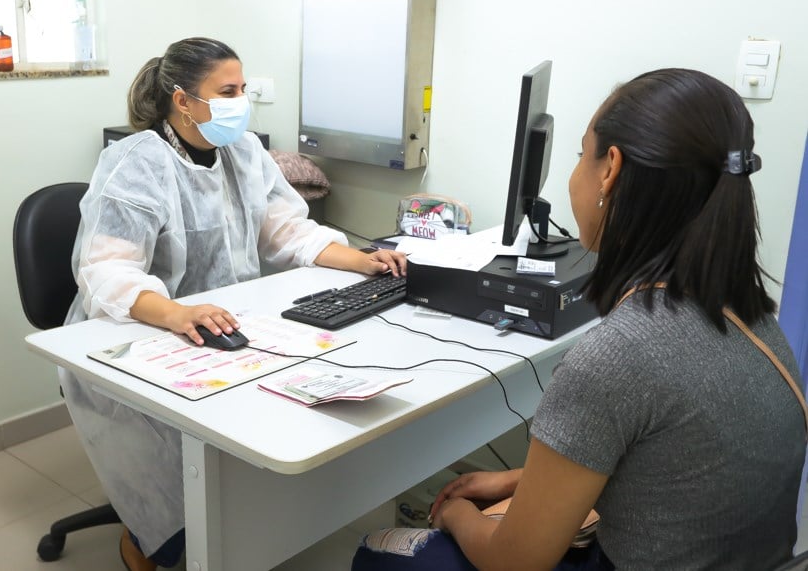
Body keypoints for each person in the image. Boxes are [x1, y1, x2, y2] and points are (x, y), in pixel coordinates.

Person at [352, 68, 806, 570]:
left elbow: (513, 563)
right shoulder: (752, 318)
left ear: (610, 168)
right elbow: (673, 462)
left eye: (579, 155)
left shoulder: (621, 353)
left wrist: (456, 512)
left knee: (379, 554)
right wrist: (514, 479)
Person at [60, 37, 407, 571]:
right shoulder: (135, 162)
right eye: (227, 91)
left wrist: (362, 260)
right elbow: (106, 271)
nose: (240, 100)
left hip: (218, 327)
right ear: (182, 100)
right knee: (177, 485)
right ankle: (147, 537)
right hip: (134, 332)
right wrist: (176, 312)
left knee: (273, 417)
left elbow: (287, 231)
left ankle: (239, 536)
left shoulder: (243, 153)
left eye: (242, 88)